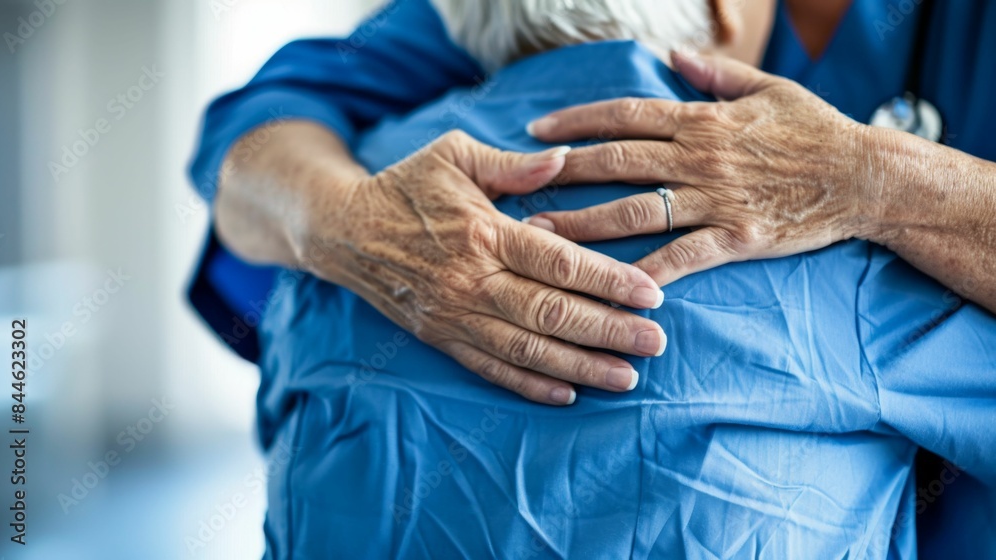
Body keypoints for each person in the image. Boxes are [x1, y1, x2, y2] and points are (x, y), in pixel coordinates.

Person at [185, 0, 996, 556]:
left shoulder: (306, 302)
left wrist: (878, 181)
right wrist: (349, 224)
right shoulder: (858, 299)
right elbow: (255, 135)